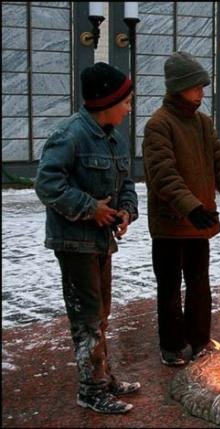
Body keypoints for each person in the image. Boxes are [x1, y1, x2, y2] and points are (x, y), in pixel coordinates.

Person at [143, 51, 220, 367]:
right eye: (195, 87)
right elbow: (163, 175)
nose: (201, 93)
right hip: (171, 224)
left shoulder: (202, 123)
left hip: (199, 221)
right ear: (178, 87)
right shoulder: (159, 125)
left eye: (202, 87)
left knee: (199, 284)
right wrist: (192, 208)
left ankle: (199, 341)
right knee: (170, 288)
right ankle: (171, 345)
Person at [35, 62, 139, 414]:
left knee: (101, 314)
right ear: (106, 102)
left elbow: (126, 183)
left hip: (100, 243)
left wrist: (126, 211)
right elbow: (48, 185)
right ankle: (91, 390)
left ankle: (102, 378)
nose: (129, 108)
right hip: (74, 242)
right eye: (126, 102)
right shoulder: (69, 135)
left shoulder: (115, 138)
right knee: (88, 318)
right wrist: (91, 208)